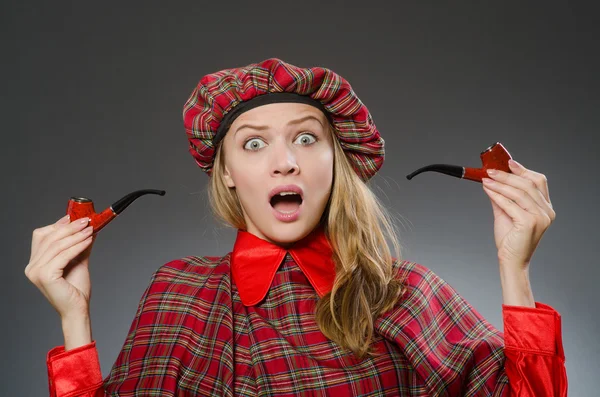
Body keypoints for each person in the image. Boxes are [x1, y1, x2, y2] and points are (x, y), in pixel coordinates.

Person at [26, 58, 567, 396]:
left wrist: (513, 268)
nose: (284, 162)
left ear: (337, 160)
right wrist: (75, 321)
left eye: (306, 138)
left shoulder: (405, 293)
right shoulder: (177, 290)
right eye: (254, 143)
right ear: (230, 174)